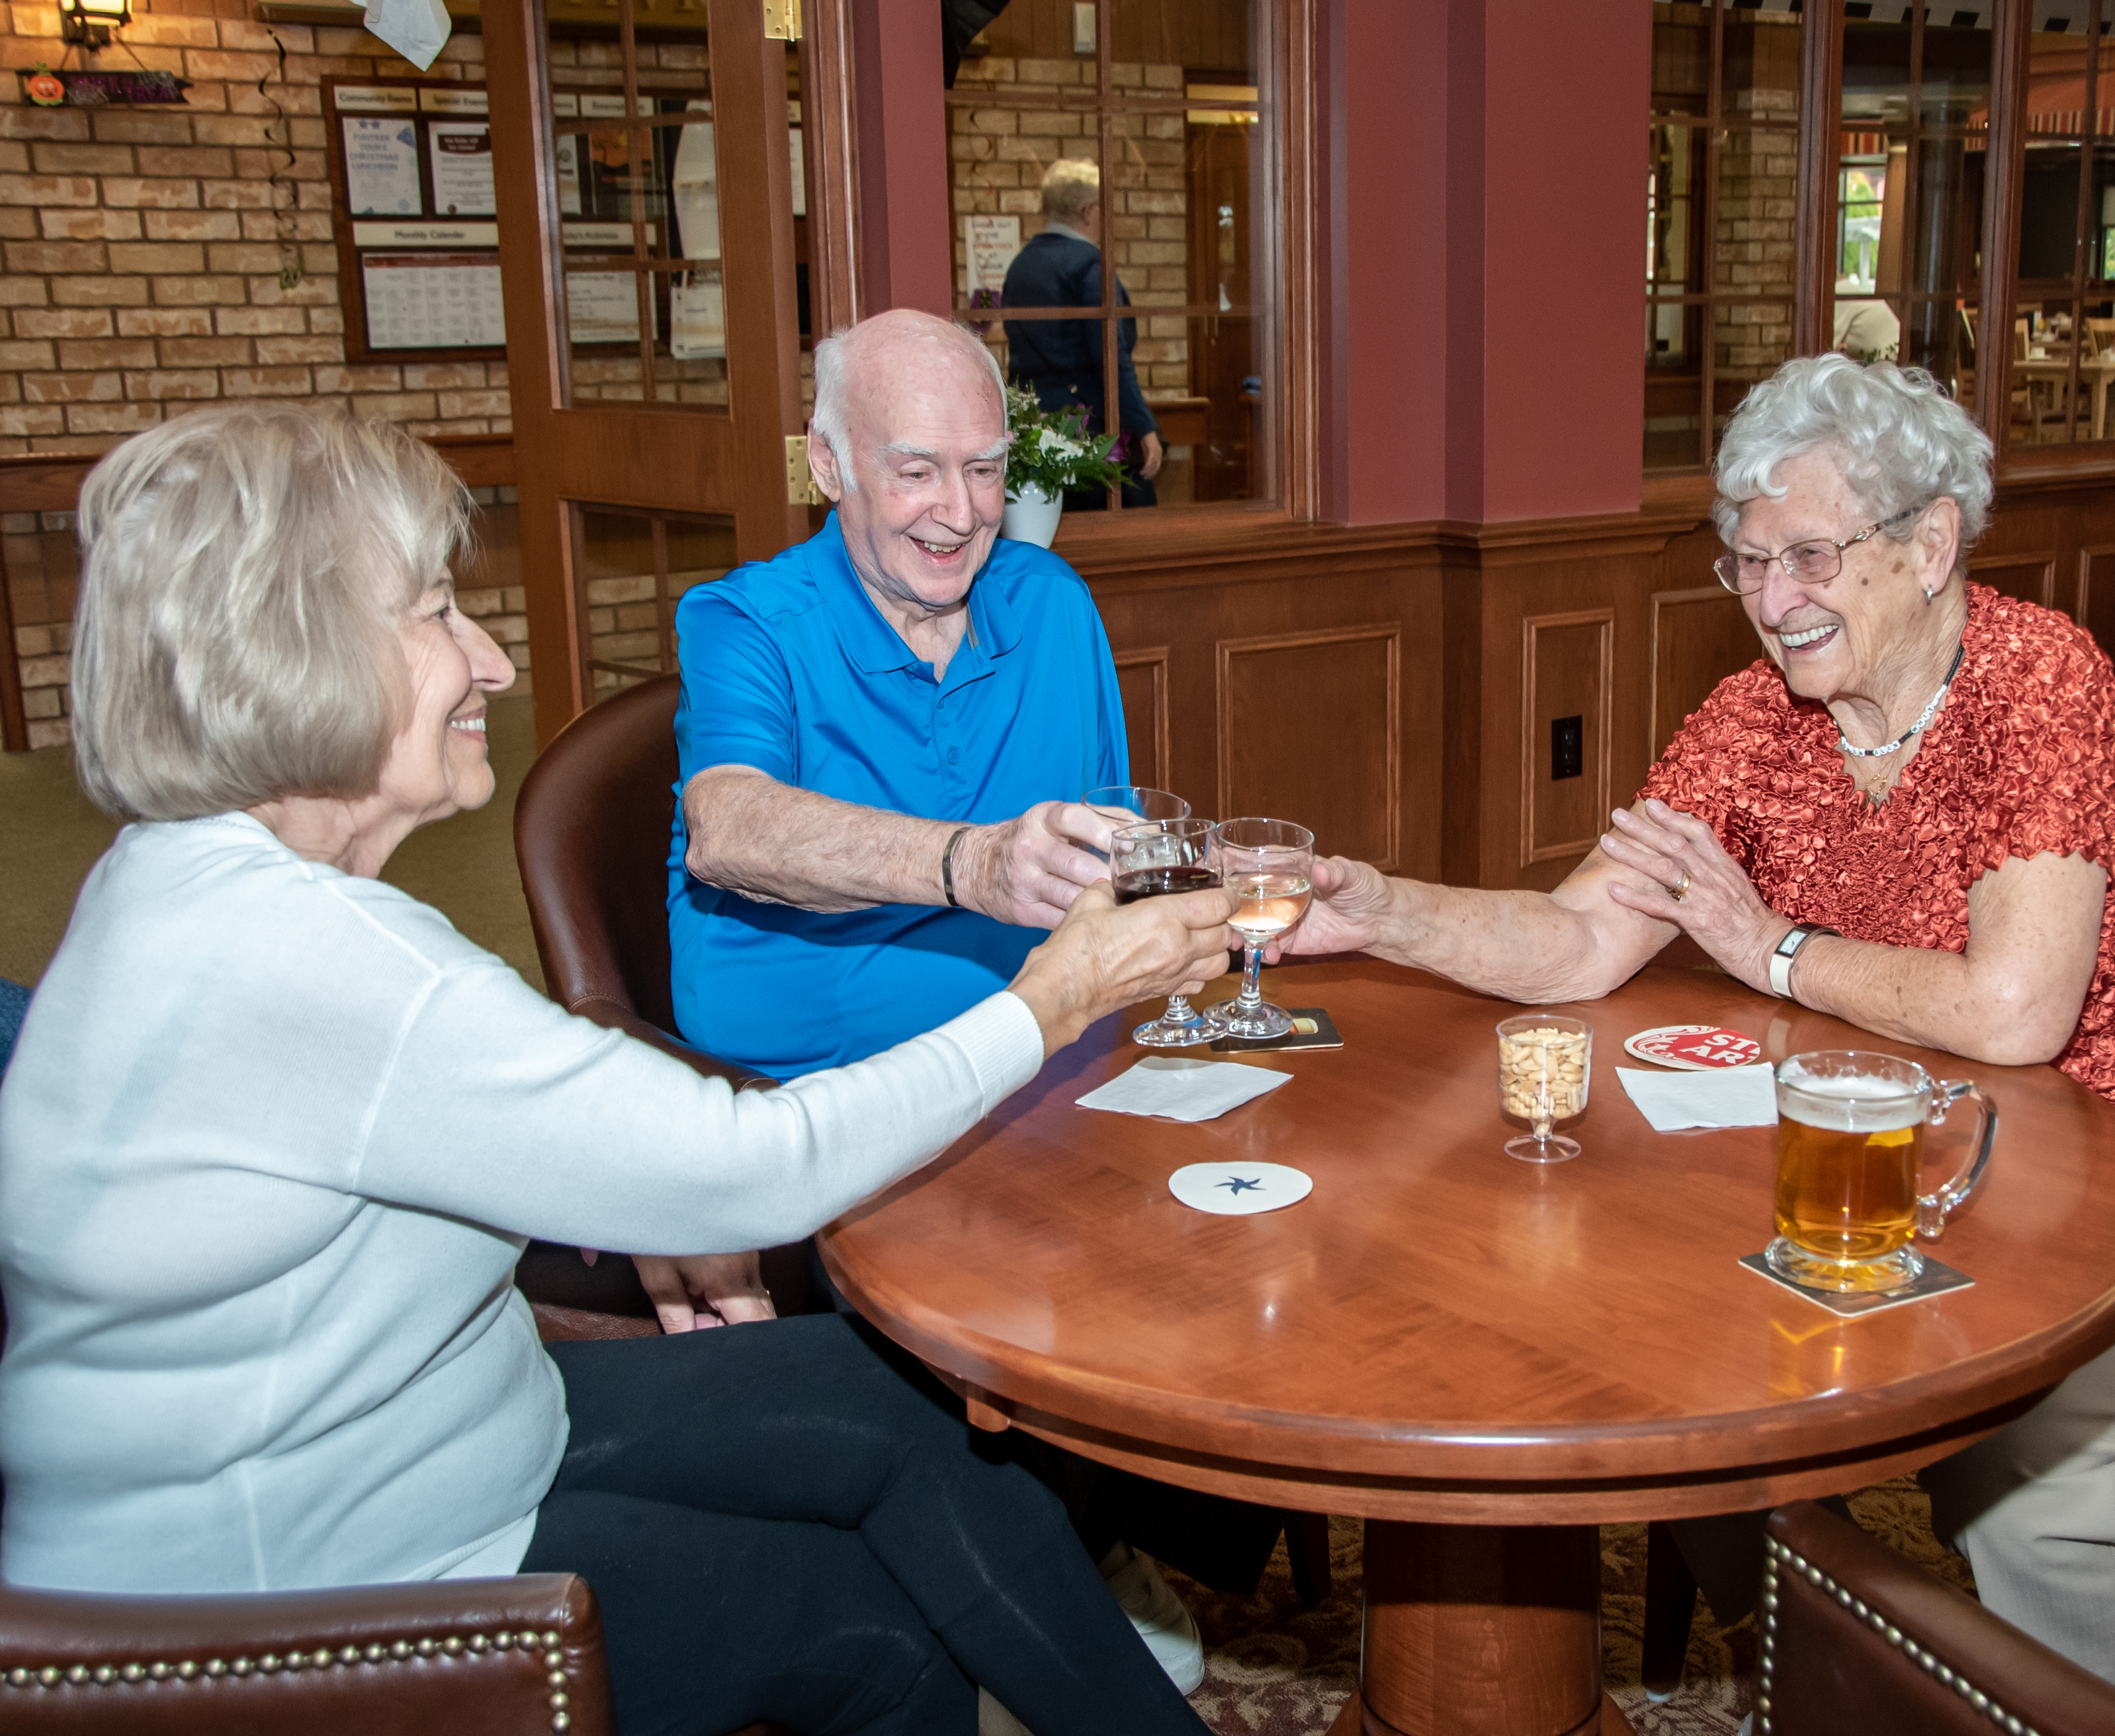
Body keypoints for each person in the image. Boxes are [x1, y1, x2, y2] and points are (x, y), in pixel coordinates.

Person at [0, 402, 1233, 1736]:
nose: (488, 659)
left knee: (892, 1405)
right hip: (280, 1592)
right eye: (431, 612)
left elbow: (341, 1153)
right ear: (295, 653)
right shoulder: (320, 960)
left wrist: (615, 1192)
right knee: (868, 1628)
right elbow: (760, 1168)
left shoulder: (181, 882)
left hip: (414, 1442)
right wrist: (1051, 1000)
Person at [1276, 354, 2115, 1688]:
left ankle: (2103, 1721)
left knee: (2026, 1459)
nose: (1771, 601)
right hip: (1880, 1156)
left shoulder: (2039, 684)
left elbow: (2017, 1009)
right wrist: (1386, 909)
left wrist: (1774, 949)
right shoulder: (1756, 719)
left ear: (1930, 543)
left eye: (1807, 555)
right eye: (1746, 563)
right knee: (1696, 1372)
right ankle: (1813, 1674)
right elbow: (1581, 941)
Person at [665, 307, 1281, 1669]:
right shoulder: (744, 618)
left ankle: (1105, 1534)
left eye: (988, 469)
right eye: (917, 470)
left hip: (1042, 1049)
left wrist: (1202, 911)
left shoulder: (1051, 604)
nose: (960, 514)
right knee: (1044, 1244)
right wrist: (969, 863)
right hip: (829, 1079)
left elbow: (1122, 845)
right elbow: (731, 826)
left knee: (1269, 1194)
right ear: (828, 465)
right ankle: (1029, 1557)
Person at [1000, 157, 1165, 510]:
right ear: (1090, 211)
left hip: (1034, 438)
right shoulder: (1090, 265)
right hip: (1092, 437)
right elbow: (1111, 358)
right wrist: (1145, 428)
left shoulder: (1020, 266)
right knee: (1131, 537)